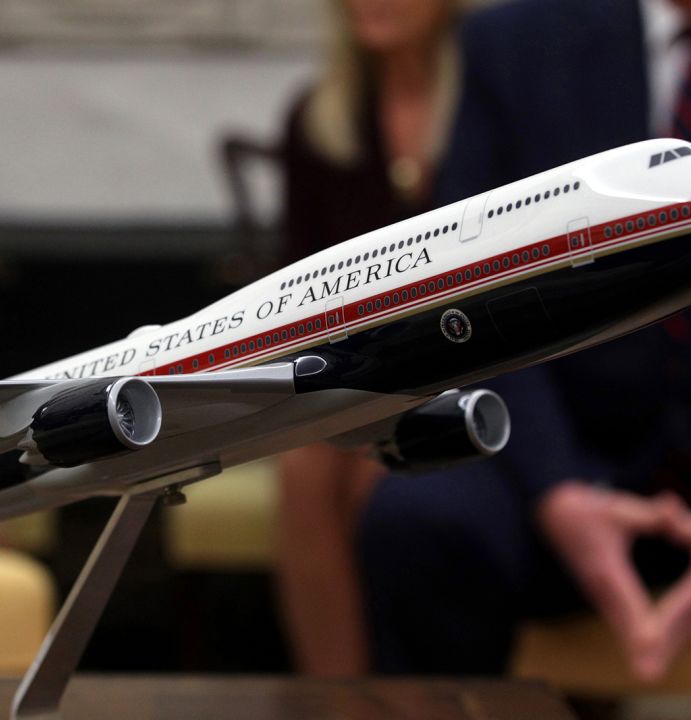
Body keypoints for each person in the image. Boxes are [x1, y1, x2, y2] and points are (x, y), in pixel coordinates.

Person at [358, 0, 691, 712]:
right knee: (418, 523)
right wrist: (560, 489)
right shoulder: (514, 45)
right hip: (566, 458)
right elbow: (468, 286)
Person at [275, 0, 461, 676]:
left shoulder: (490, 99)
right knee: (307, 464)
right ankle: (341, 696)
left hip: (477, 358)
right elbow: (294, 282)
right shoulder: (319, 120)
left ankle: (404, 687)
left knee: (377, 465)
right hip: (358, 367)